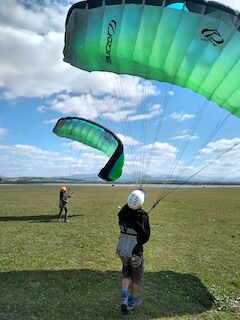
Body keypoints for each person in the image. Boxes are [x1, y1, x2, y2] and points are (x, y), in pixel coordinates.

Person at [116, 189, 151, 313]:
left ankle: (124, 299)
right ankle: (131, 301)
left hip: (122, 250)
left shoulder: (123, 213)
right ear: (141, 203)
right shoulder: (142, 217)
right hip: (135, 253)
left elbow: (127, 208)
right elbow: (145, 238)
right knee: (136, 278)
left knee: (126, 274)